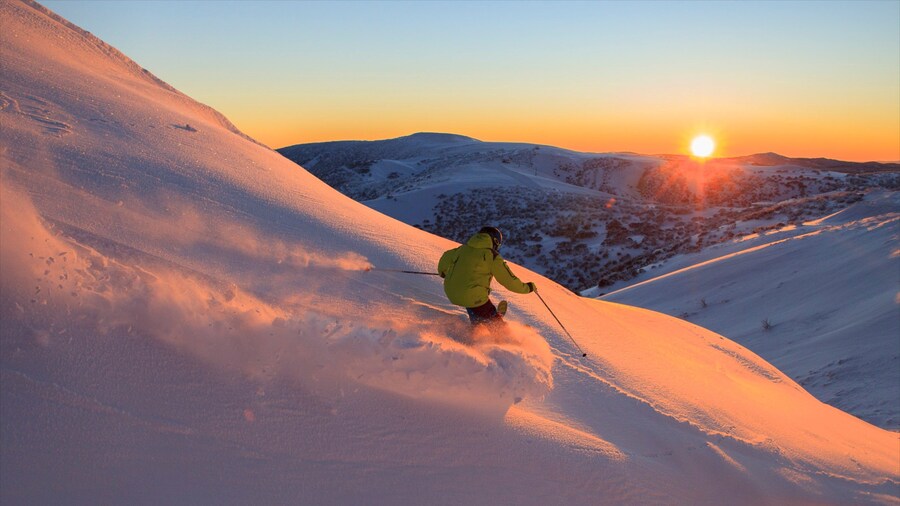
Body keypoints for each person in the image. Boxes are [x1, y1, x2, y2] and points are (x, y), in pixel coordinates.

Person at [438, 226, 537, 325]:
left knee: (472, 300)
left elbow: (444, 259)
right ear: (495, 242)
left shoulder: (462, 249)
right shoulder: (492, 256)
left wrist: (443, 273)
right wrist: (528, 288)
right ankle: (500, 329)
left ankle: (478, 324)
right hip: (473, 296)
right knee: (482, 308)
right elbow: (509, 281)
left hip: (451, 292)